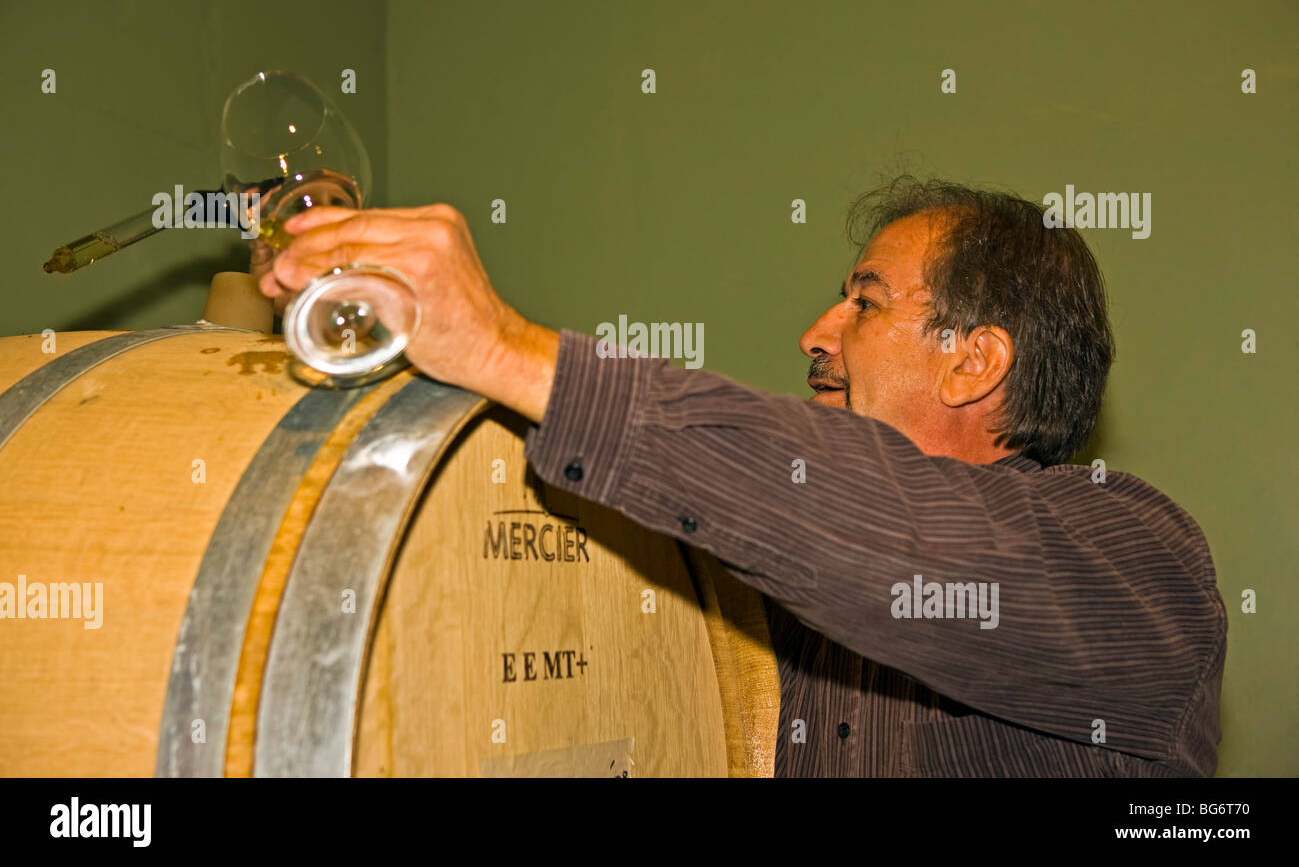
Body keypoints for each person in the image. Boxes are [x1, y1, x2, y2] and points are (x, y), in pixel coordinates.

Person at [253, 176, 1226, 777]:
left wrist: (505, 347)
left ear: (972, 361)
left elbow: (894, 534)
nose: (813, 333)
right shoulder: (778, 603)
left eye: (864, 302)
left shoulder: (1132, 557)